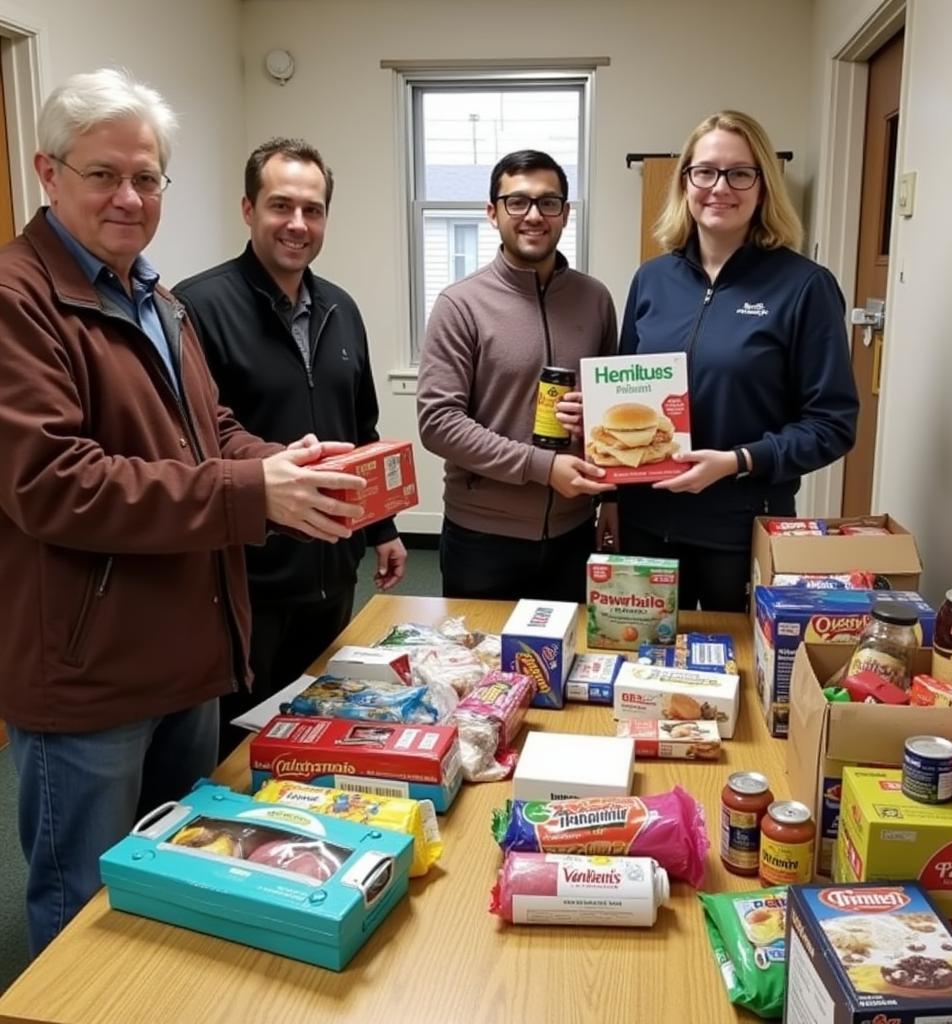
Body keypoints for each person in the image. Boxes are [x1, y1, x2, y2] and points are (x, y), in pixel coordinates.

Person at [0, 69, 368, 957]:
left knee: (187, 875)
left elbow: (211, 432)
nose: (129, 197)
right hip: (90, 671)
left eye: (148, 178)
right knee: (86, 902)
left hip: (190, 647)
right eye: (103, 175)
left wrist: (275, 461)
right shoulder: (18, 300)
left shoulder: (154, 298)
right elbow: (55, 481)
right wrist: (250, 492)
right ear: (49, 174)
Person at [174, 138, 406, 759]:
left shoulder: (341, 308)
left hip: (333, 567)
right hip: (248, 578)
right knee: (240, 750)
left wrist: (381, 528)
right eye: (281, 206)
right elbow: (191, 444)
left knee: (319, 732)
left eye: (314, 209)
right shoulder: (195, 308)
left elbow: (362, 429)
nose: (298, 224)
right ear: (248, 208)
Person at [608, 110, 858, 611]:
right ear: (685, 182)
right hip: (645, 527)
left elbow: (833, 424)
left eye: (739, 172)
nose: (719, 187)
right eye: (705, 171)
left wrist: (737, 462)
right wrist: (609, 500)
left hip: (740, 527)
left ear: (763, 185)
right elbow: (621, 396)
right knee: (641, 667)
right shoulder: (651, 280)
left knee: (737, 674)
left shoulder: (805, 287)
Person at [417, 149, 617, 602]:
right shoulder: (460, 305)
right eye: (517, 202)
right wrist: (544, 468)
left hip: (573, 533)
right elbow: (439, 424)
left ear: (565, 214)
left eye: (548, 203)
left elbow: (610, 410)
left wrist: (612, 500)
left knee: (567, 665)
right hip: (483, 536)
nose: (534, 215)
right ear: (493, 213)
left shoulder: (595, 300)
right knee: (477, 668)